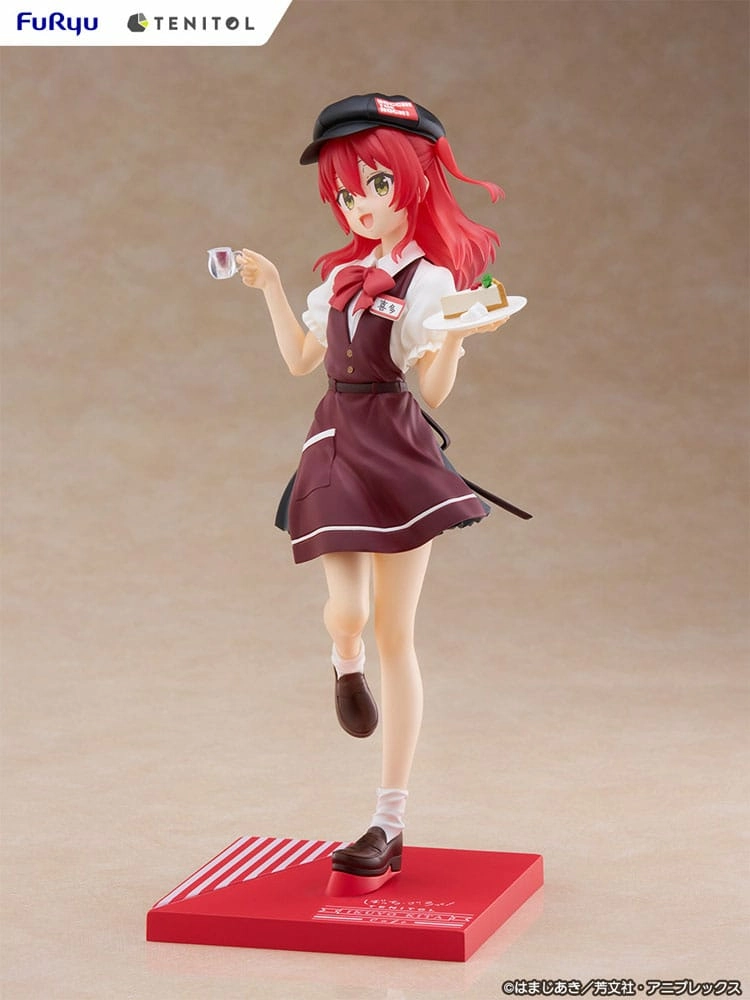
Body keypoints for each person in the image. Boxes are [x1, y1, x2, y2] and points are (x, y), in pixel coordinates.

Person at [239, 93, 526, 889]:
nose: (360, 206)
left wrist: (458, 337)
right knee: (348, 612)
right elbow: (301, 361)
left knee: (398, 633)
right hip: (336, 443)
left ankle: (387, 823)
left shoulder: (429, 280)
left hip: (396, 449)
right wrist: (269, 286)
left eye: (376, 185)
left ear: (415, 183)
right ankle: (343, 660)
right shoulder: (338, 277)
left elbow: (430, 385)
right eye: (344, 193)